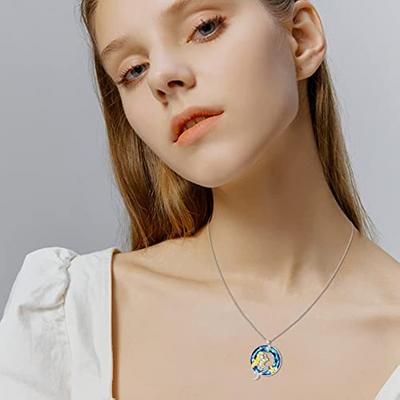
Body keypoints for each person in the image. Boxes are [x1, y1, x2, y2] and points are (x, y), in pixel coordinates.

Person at [0, 0, 399, 399]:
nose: (162, 77)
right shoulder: (68, 319)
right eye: (134, 70)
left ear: (301, 39)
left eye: (205, 27)